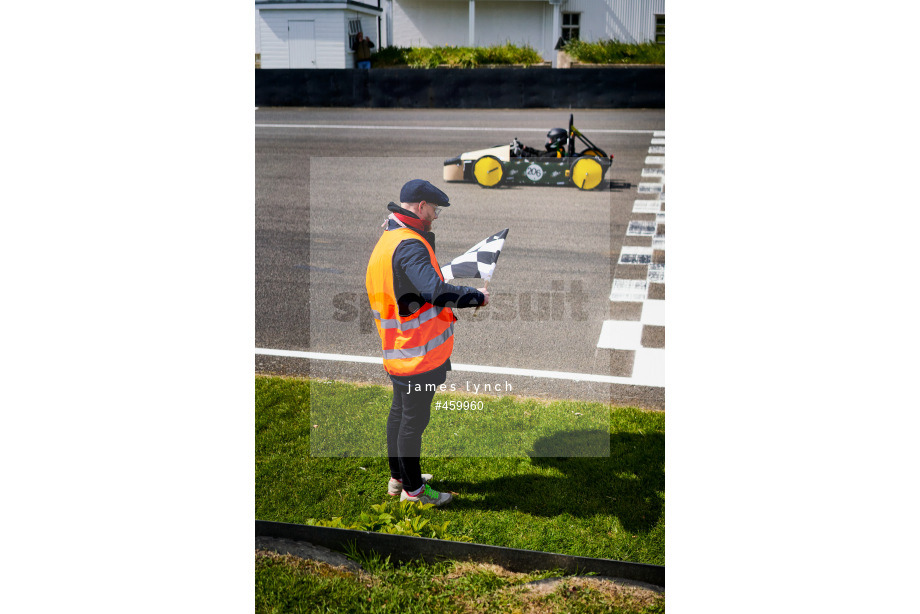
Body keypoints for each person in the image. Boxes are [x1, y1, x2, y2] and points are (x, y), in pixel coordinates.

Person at [365, 179, 489, 507]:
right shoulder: (409, 245)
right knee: (413, 422)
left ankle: (399, 477)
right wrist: (476, 296)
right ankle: (414, 491)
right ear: (421, 207)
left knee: (399, 414)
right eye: (434, 210)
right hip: (418, 355)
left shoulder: (393, 237)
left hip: (399, 349)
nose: (435, 216)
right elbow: (435, 290)